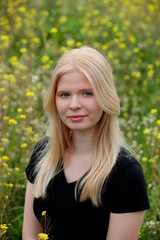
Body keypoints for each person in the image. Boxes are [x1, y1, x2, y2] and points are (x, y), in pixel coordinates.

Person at [22, 46, 150, 240]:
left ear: (105, 97)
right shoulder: (43, 155)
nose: (74, 105)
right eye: (65, 94)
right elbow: (30, 234)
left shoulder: (125, 174)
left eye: (86, 93)